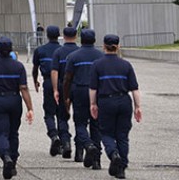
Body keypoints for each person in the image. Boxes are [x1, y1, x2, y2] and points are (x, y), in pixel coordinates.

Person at [0, 37, 34, 180]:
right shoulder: (18, 66)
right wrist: (30, 108)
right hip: (14, 100)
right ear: (11, 49)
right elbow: (23, 88)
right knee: (13, 132)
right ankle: (13, 161)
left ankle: (5, 156)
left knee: (0, 133)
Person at [90, 35, 141, 179]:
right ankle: (122, 168)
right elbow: (135, 89)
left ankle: (113, 154)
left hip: (106, 101)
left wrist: (93, 104)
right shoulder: (126, 65)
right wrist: (138, 107)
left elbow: (93, 88)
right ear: (118, 46)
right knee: (123, 136)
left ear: (103, 46)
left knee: (106, 133)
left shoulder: (97, 65)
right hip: (124, 101)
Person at [64, 29, 105, 171]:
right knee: (96, 125)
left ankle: (88, 145)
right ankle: (97, 161)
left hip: (79, 91)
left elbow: (67, 78)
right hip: (96, 92)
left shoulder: (73, 56)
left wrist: (66, 97)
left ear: (81, 39)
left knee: (80, 123)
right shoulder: (101, 57)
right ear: (94, 40)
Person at [32, 25, 63, 156]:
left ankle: (53, 135)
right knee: (62, 114)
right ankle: (63, 141)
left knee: (49, 113)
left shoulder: (40, 50)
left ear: (46, 35)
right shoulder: (63, 50)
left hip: (48, 82)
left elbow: (35, 68)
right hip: (63, 83)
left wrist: (35, 80)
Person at [51, 26, 79, 161]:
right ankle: (81, 149)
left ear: (63, 35)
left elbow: (54, 72)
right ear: (76, 35)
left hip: (64, 86)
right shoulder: (79, 52)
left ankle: (66, 142)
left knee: (62, 116)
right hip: (79, 87)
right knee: (80, 119)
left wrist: (56, 89)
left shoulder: (58, 52)